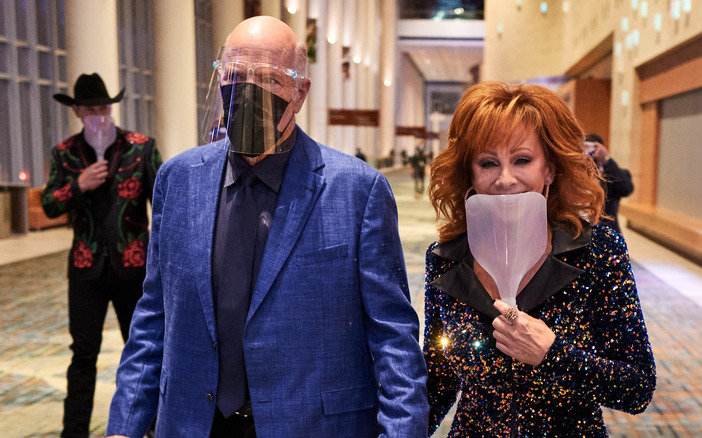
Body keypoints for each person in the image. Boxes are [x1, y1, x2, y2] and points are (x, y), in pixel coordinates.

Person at [106, 16, 428, 438]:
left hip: (312, 425)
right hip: (192, 423)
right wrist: (122, 427)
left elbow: (393, 340)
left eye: (268, 79)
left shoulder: (357, 191)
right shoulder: (178, 180)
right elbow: (153, 317)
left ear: (300, 92)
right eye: (236, 75)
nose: (247, 92)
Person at [423, 81, 655, 436]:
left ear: (549, 169)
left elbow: (637, 386)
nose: (505, 179)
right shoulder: (447, 259)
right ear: (470, 172)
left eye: (521, 160)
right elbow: (438, 381)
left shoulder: (598, 253)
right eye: (488, 162)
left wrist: (554, 353)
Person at [41, 72, 162, 438]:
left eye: (104, 107)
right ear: (77, 110)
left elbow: (165, 201)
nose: (99, 114)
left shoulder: (140, 147)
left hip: (134, 267)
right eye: (90, 108)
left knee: (144, 351)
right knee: (83, 356)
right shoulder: (65, 154)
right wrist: (77, 185)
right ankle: (74, 432)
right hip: (85, 269)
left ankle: (155, 427)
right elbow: (48, 204)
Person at [584, 133, 634, 234]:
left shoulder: (614, 172)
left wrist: (606, 160)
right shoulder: (574, 175)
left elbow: (626, 189)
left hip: (607, 235)